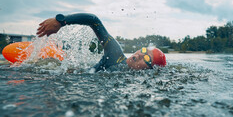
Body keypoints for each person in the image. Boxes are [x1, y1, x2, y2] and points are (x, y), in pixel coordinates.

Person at [37, 13, 166, 71]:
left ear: (150, 70)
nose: (139, 55)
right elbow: (94, 20)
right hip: (73, 74)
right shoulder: (115, 54)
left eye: (147, 59)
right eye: (144, 51)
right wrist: (61, 21)